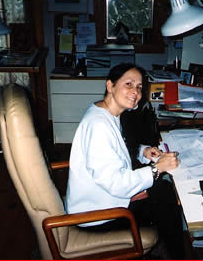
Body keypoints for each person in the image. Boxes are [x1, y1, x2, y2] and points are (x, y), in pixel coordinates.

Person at [65, 63, 184, 259]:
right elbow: (117, 184)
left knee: (162, 194)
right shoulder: (98, 126)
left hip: (104, 197)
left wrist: (143, 152)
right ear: (110, 85)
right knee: (164, 197)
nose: (135, 92)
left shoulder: (105, 112)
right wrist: (157, 169)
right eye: (128, 84)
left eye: (139, 87)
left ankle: (169, 250)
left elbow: (115, 150)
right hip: (97, 216)